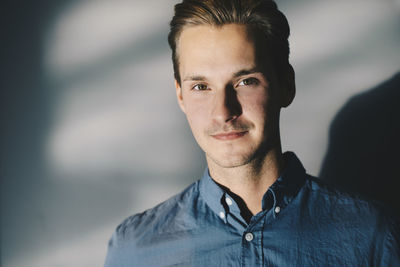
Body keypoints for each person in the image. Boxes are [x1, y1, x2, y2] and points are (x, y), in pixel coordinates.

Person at [104, 0, 400, 266]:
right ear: (180, 95)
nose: (223, 112)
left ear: (286, 85)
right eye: (201, 87)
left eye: (245, 81)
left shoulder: (372, 235)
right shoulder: (135, 250)